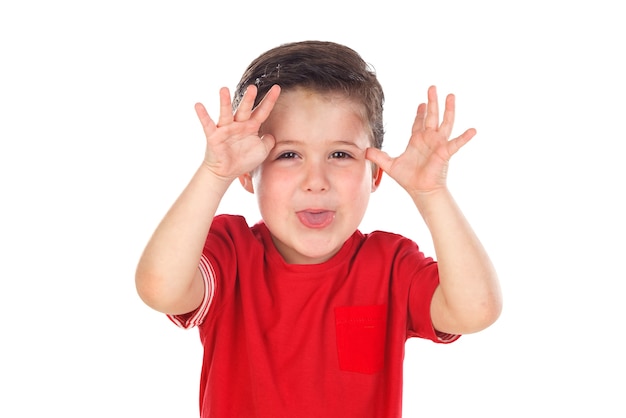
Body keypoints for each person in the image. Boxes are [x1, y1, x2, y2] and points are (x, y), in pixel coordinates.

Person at [135, 40, 502, 418]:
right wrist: (213, 174)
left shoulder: (391, 264)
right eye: (289, 155)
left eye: (340, 154)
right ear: (248, 171)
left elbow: (476, 310)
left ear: (374, 172)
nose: (316, 181)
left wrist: (432, 194)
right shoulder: (230, 253)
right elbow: (160, 289)